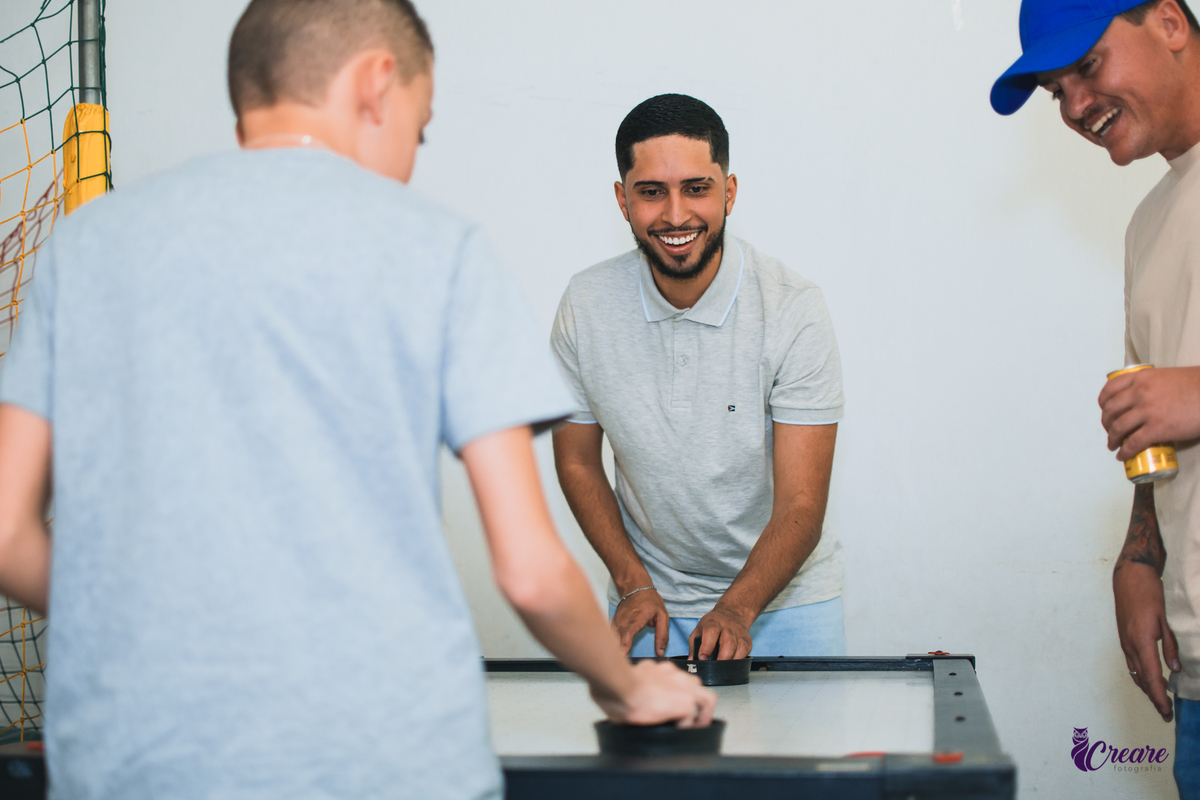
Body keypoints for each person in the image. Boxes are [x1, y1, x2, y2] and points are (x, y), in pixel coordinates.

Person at [0, 1, 716, 797]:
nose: (412, 155)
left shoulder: (89, 243)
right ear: (378, 84)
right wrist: (626, 687)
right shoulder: (437, 249)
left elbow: (5, 531)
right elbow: (531, 572)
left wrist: (149, 611)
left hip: (127, 761)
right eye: (420, 129)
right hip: (385, 760)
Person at [550, 94, 846, 663]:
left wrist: (737, 608)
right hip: (648, 608)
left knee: (797, 756)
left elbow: (802, 504)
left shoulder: (793, 308)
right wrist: (633, 583)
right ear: (623, 200)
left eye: (697, 188)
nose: (676, 215)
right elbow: (577, 462)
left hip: (787, 607)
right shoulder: (584, 305)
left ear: (729, 192)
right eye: (652, 192)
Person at [992, 0, 1200, 794]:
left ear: (1172, 23)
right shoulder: (1148, 225)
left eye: (1087, 67)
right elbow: (1162, 424)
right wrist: (1139, 557)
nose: (1076, 107)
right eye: (1056, 91)